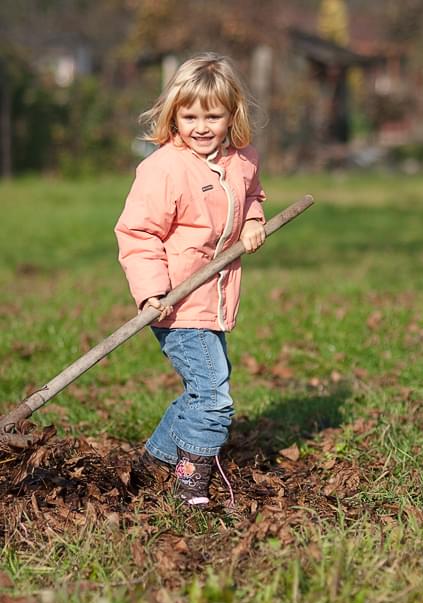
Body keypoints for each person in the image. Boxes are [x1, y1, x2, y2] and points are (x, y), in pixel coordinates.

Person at [115, 52, 266, 507]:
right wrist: (151, 293)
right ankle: (189, 481)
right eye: (190, 115)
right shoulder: (164, 169)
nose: (201, 126)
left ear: (231, 115)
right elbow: (139, 233)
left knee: (201, 388)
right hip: (175, 305)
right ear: (173, 115)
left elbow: (252, 196)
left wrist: (254, 220)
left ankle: (152, 464)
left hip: (215, 301)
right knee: (215, 396)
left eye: (213, 115)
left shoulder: (241, 162)